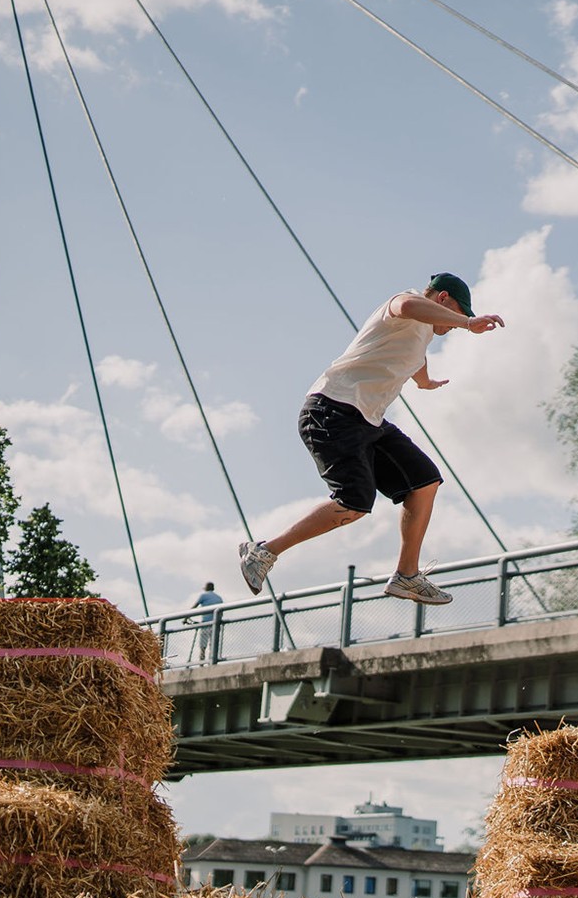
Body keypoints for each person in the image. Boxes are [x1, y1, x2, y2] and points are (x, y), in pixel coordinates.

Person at [237, 273, 505, 603]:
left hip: (369, 421)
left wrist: (425, 381)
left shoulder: (421, 332)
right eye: (456, 313)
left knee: (424, 480)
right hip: (331, 410)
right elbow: (407, 306)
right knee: (354, 503)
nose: (452, 325)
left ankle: (406, 576)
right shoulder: (404, 303)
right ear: (443, 298)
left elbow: (416, 358)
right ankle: (263, 552)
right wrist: (468, 323)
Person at [185, 581, 223, 662]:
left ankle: (201, 662)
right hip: (216, 624)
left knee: (203, 645)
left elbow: (194, 607)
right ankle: (212, 662)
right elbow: (221, 613)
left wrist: (185, 618)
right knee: (213, 644)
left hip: (206, 623)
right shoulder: (219, 598)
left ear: (206, 588)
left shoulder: (203, 596)